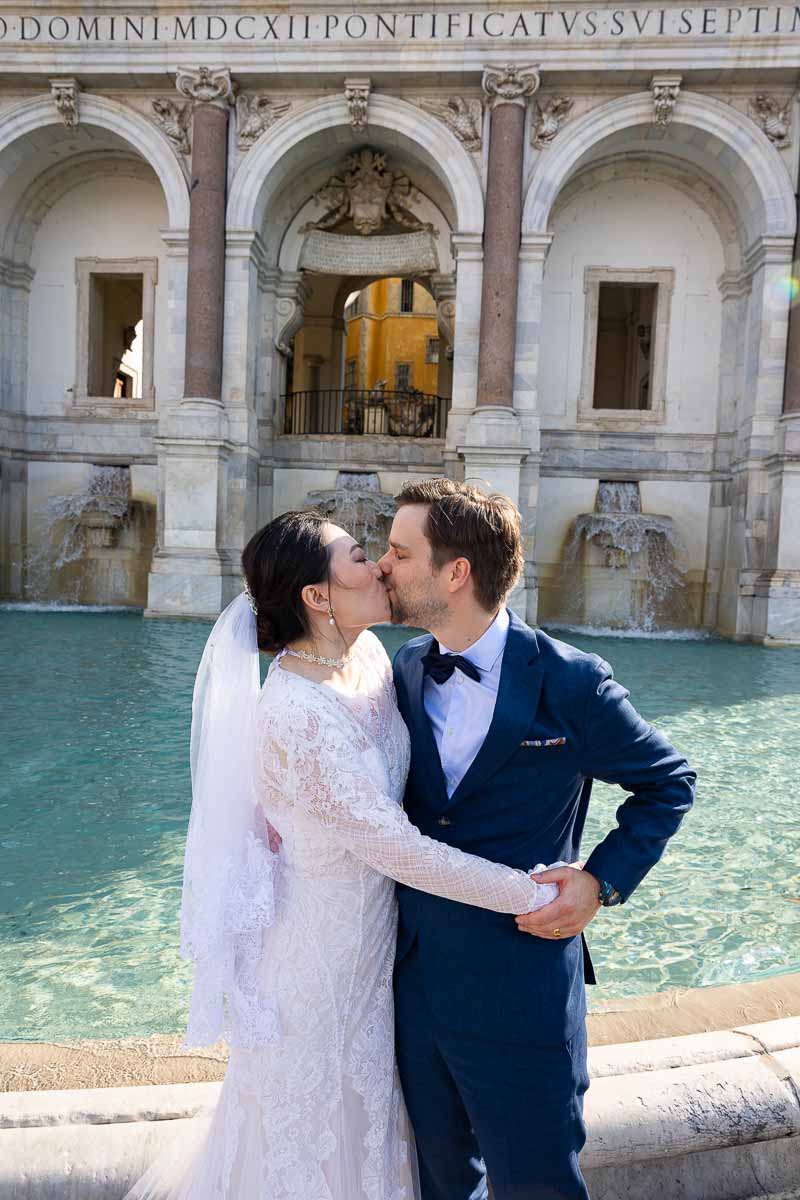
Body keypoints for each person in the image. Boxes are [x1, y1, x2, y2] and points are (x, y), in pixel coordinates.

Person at [125, 509, 562, 1200]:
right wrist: (536, 894)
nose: (381, 566)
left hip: (377, 961)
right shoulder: (295, 711)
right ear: (317, 596)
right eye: (360, 555)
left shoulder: (369, 659)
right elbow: (398, 849)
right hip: (316, 975)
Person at [377, 478, 697, 1200]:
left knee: (539, 1188)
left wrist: (599, 881)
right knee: (439, 1187)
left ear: (454, 573)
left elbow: (669, 782)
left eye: (399, 551)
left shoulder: (571, 682)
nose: (383, 565)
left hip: (522, 988)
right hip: (416, 983)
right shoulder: (401, 669)